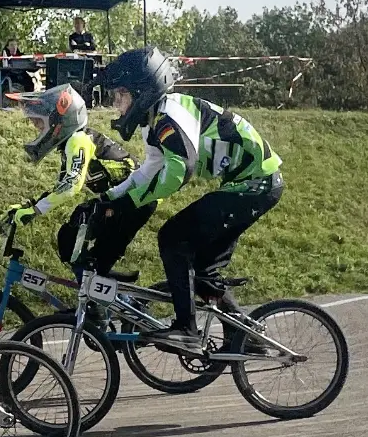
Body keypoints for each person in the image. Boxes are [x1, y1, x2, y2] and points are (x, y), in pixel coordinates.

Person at [98, 46, 283, 353]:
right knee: (203, 271)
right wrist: (110, 197)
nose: (116, 103)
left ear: (142, 91)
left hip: (255, 184)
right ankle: (246, 336)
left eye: (120, 95)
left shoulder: (170, 116)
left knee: (173, 236)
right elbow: (148, 172)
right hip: (248, 185)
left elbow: (179, 171)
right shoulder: (155, 121)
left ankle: (186, 329)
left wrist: (129, 202)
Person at [0, 84, 156, 286]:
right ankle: (104, 289)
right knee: (75, 241)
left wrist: (35, 210)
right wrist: (30, 205)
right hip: (127, 200)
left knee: (73, 236)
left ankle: (95, 304)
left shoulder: (78, 140)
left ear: (60, 121)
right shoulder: (73, 141)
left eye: (40, 123)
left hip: (136, 200)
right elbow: (63, 184)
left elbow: (71, 186)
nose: (37, 128)